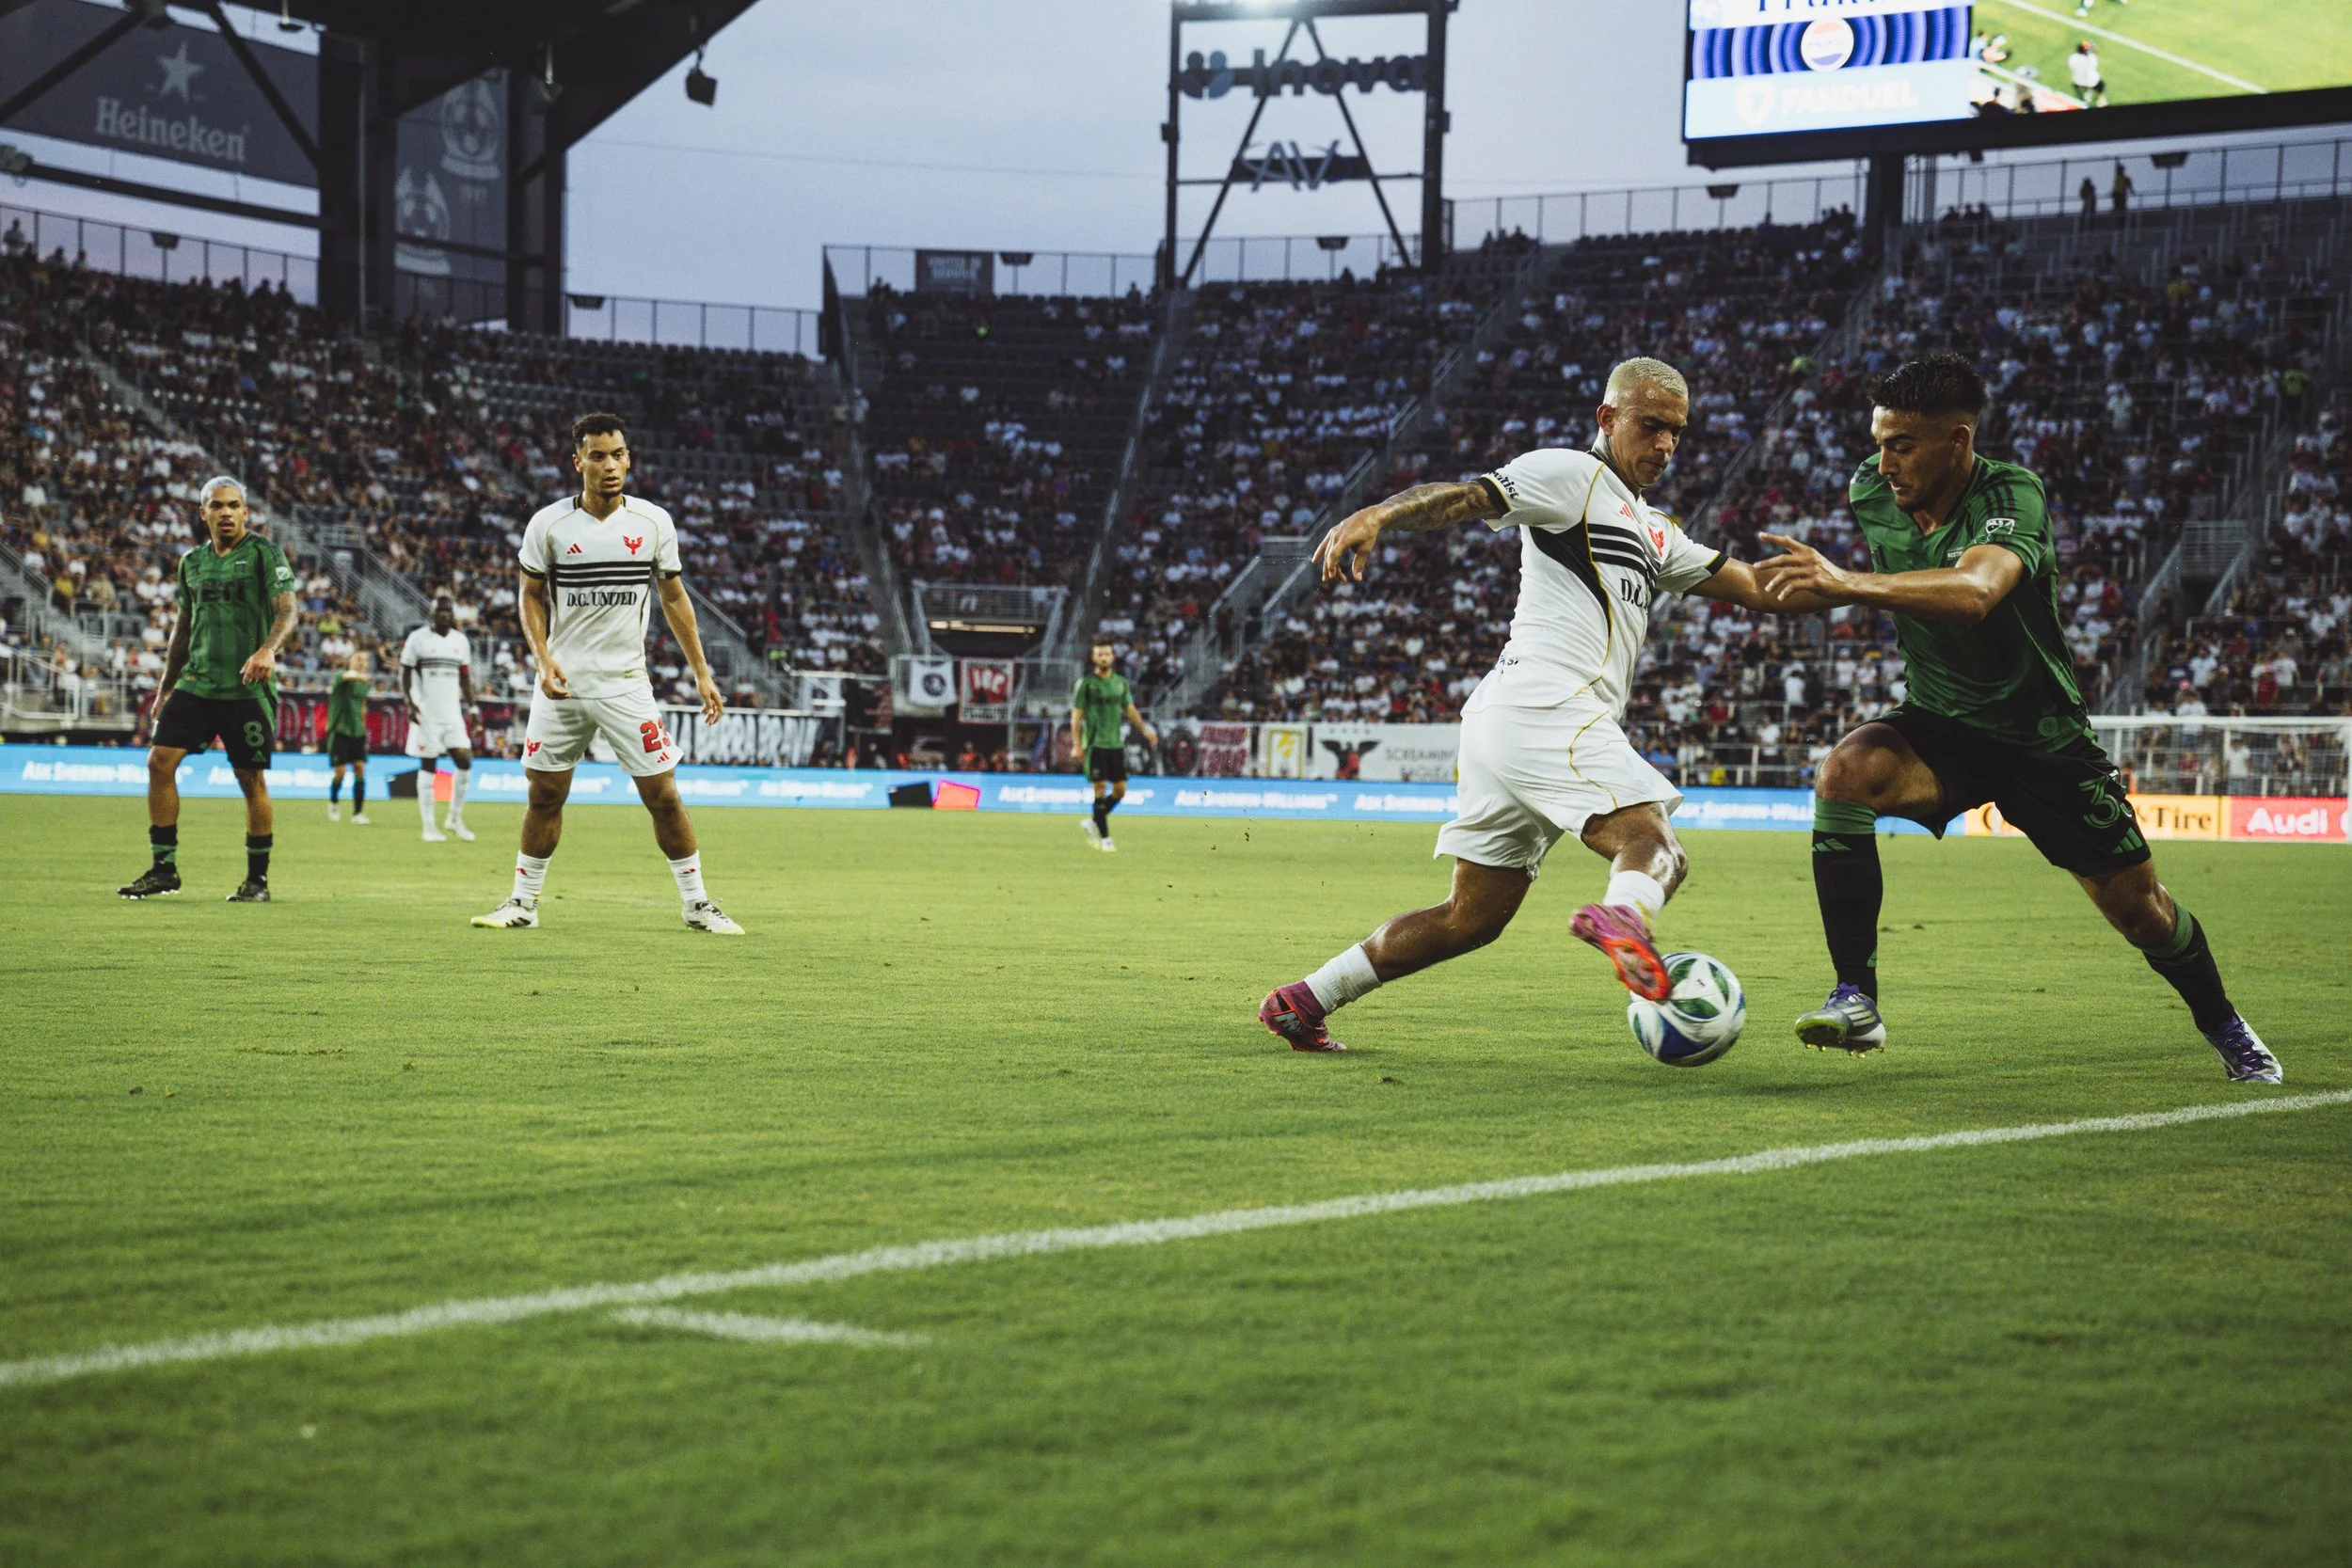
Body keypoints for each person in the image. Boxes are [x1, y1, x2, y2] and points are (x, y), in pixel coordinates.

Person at [1258, 358, 1824, 1053]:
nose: (1666, 445)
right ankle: (1625, 921)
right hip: (1546, 703)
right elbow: (1466, 496)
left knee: (1470, 918)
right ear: (1606, 419)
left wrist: (1860, 586)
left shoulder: (1654, 532)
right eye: (1651, 426)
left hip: (1509, 715)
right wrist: (1379, 514)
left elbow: (1757, 586)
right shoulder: (1569, 475)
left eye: (1677, 432)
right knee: (1652, 843)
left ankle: (1304, 999)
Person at [1752, 353, 2280, 1085]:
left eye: (1901, 444)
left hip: (2042, 741)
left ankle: (2227, 1026)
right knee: (1845, 771)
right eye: (1878, 441)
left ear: (1958, 442)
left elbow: (1975, 591)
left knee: (2142, 912)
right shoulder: (1872, 492)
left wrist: (1848, 582)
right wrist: (1697, 575)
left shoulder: (2013, 493)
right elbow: (1823, 590)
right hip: (1942, 722)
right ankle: (1857, 998)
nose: (1883, 461)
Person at [472, 412, 742, 934]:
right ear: (578, 463)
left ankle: (697, 904)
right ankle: (522, 903)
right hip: (563, 685)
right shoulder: (548, 525)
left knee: (662, 795)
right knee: (544, 794)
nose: (610, 464)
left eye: (618, 454)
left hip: (625, 683)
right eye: (598, 455)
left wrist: (702, 673)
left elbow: (673, 597)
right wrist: (543, 659)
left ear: (629, 459)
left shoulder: (653, 523)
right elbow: (529, 595)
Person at [119, 477, 297, 902]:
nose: (227, 513)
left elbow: (288, 610)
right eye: (217, 506)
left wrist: (268, 650)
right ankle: (164, 869)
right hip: (196, 683)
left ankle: (258, 881)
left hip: (246, 688)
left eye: (234, 505)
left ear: (246, 512)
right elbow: (183, 627)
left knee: (250, 778)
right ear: (204, 513)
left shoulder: (263, 554)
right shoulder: (191, 563)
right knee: (159, 762)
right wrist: (165, 687)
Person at [402, 595, 478, 842]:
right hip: (427, 714)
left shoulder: (460, 641)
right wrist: (410, 703)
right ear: (431, 613)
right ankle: (428, 826)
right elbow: (404, 671)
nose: (444, 614)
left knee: (465, 760)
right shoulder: (418, 639)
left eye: (448, 611)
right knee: (428, 766)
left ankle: (454, 819)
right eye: (440, 610)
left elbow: (465, 677)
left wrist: (474, 709)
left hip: (452, 714)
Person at [1070, 640, 1157, 851]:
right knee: (1099, 788)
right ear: (1093, 658)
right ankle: (1106, 839)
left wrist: (1145, 731)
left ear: (1113, 657)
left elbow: (1130, 710)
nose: (1103, 658)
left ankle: (1093, 821)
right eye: (1099, 654)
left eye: (1106, 654)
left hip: (1115, 744)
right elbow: (1076, 716)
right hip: (1095, 744)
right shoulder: (1086, 684)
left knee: (1120, 790)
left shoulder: (1121, 683)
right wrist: (1076, 745)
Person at [326, 647, 373, 824]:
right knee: (341, 771)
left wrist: (363, 724)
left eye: (364, 660)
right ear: (350, 661)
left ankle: (358, 813)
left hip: (357, 732)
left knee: (360, 768)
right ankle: (333, 802)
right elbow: (348, 676)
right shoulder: (341, 676)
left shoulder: (364, 684)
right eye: (358, 659)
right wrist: (360, 676)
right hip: (340, 730)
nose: (361, 663)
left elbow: (362, 705)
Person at [2068, 41, 2107, 107]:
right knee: (2101, 85)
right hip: (2091, 81)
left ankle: (2087, 94)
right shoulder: (2091, 58)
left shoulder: (2072, 57)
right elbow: (2094, 66)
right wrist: (2093, 51)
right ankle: (2101, 100)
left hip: (2077, 80)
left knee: (2083, 84)